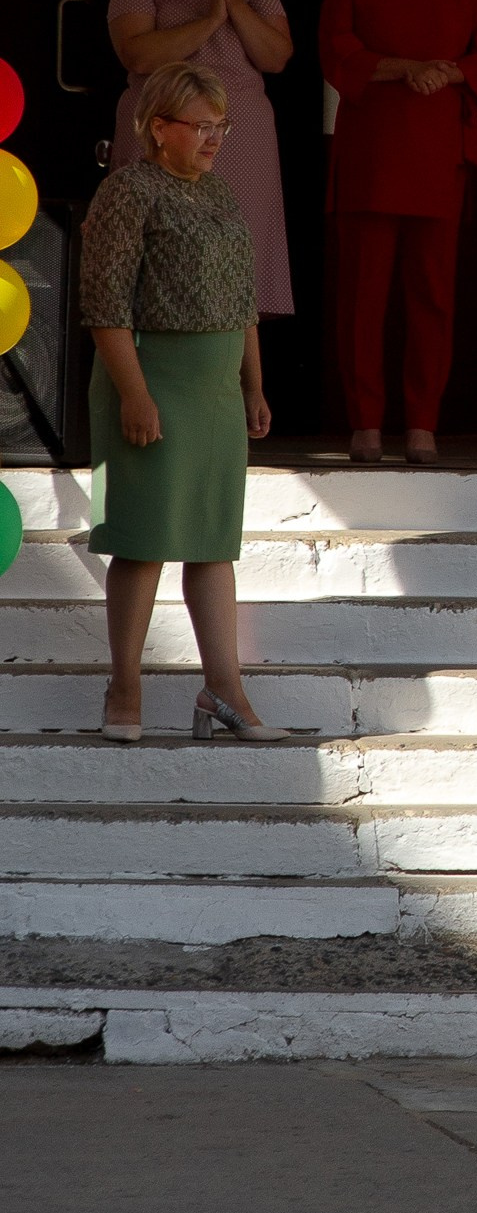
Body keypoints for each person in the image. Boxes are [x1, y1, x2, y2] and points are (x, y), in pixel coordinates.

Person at [80, 63, 272, 744]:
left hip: (216, 389)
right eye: (202, 125)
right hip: (152, 379)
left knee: (212, 542)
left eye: (221, 125)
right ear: (160, 128)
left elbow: (243, 298)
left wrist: (253, 383)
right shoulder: (128, 192)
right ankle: (124, 688)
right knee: (141, 539)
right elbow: (104, 305)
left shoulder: (219, 193)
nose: (215, 137)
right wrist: (135, 394)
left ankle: (225, 691)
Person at [317, 0, 477, 467]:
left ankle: (423, 423)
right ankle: (365, 423)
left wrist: (446, 72)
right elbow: (338, 52)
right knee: (363, 299)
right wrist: (408, 67)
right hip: (372, 157)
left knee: (433, 298)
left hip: (437, 156)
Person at [108, 0, 296, 318]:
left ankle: (231, 380)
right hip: (165, 134)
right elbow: (138, 55)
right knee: (161, 258)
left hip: (242, 139)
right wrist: (210, 19)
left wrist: (233, 3)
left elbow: (277, 56)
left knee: (236, 266)